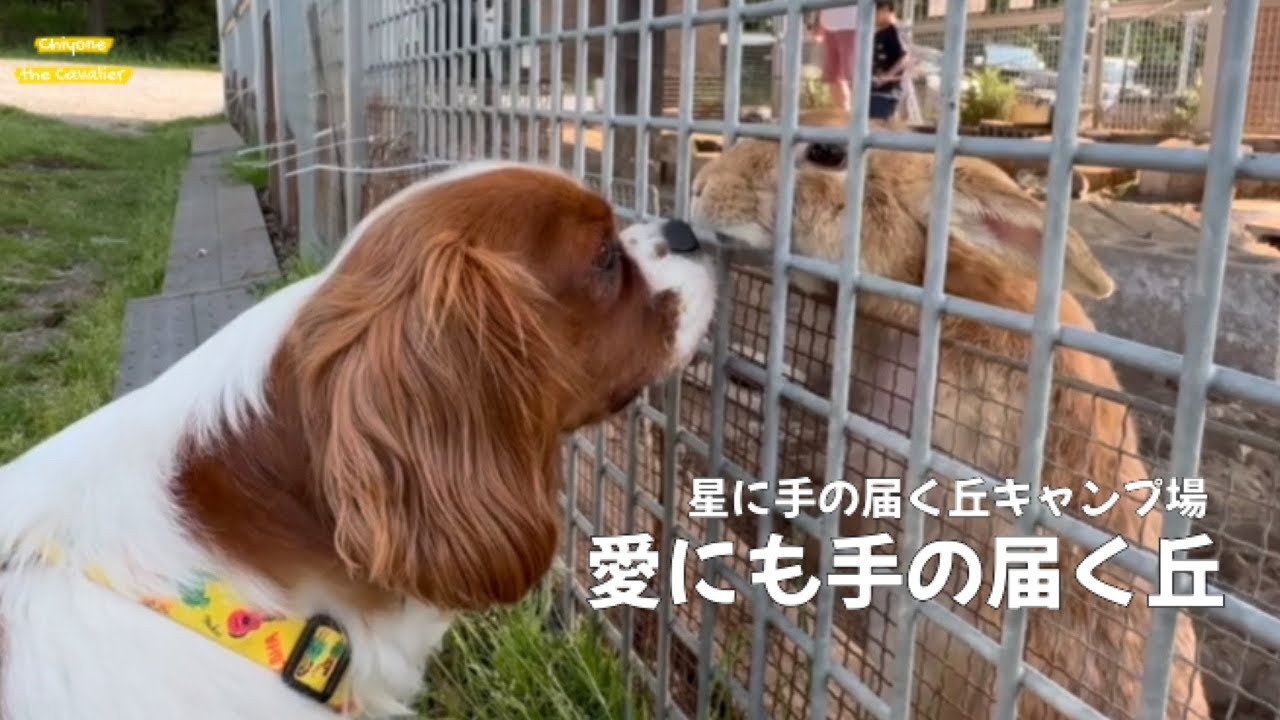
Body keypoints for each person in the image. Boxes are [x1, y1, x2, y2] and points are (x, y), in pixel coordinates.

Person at [811, 5, 858, 111]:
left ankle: (859, 116)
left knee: (853, 75)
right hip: (828, 27)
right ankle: (843, 112)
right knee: (833, 76)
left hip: (852, 25)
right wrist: (818, 23)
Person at [869, 1, 909, 120]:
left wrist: (887, 76)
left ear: (885, 9)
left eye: (874, 12)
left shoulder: (895, 30)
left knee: (878, 126)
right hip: (874, 90)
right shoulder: (878, 33)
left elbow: (905, 57)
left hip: (887, 92)